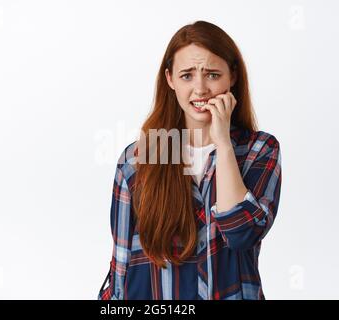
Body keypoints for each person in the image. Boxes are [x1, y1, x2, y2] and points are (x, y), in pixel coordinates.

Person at [98, 20, 282, 300]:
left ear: (231, 76)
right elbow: (121, 263)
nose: (200, 89)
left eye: (211, 75)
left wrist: (222, 143)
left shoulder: (259, 149)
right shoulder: (140, 158)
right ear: (170, 79)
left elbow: (241, 233)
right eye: (187, 76)